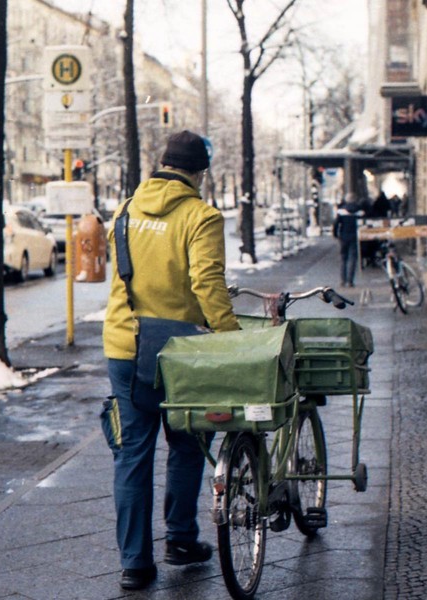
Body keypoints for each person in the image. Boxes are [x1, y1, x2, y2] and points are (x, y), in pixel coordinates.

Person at [102, 130, 240, 591]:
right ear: (199, 173)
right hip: (180, 354)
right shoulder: (201, 216)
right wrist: (231, 339)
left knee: (132, 454)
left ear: (162, 164)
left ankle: (134, 564)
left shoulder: (124, 211)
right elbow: (207, 283)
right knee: (186, 443)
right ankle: (180, 539)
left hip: (125, 347)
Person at [332, 192, 362, 287]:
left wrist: (335, 234)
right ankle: (350, 281)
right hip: (355, 236)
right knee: (353, 258)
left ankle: (343, 280)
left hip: (344, 236)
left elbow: (336, 224)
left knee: (343, 258)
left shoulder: (341, 211)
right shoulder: (359, 211)